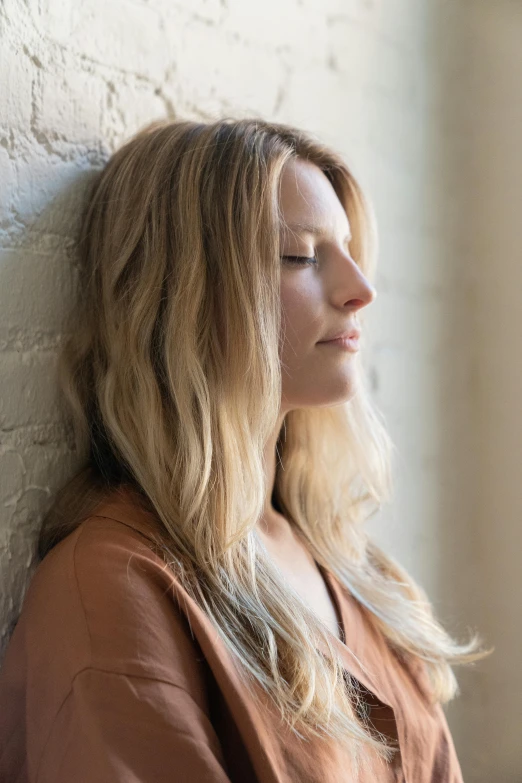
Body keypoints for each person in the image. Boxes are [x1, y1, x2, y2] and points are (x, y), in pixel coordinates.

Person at [0, 117, 492, 782]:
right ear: (187, 297)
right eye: (301, 256)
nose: (361, 289)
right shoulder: (110, 589)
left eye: (346, 249)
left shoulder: (349, 565)